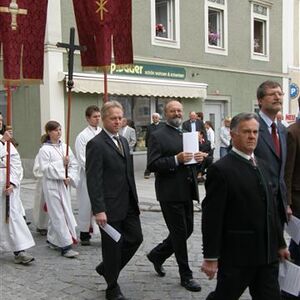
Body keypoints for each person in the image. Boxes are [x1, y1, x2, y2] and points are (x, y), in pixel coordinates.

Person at [201, 112, 290, 300]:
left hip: (267, 256)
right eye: (246, 132)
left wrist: (280, 244)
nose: (252, 136)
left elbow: (271, 210)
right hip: (238, 256)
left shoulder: (264, 165)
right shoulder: (221, 169)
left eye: (255, 132)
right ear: (233, 135)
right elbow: (212, 217)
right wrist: (210, 257)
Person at [146, 100, 206, 292]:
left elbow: (191, 161)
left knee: (187, 230)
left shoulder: (186, 133)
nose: (177, 113)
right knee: (180, 234)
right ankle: (186, 276)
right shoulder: (157, 135)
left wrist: (198, 159)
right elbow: (152, 164)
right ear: (166, 113)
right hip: (169, 193)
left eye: (179, 110)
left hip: (187, 191)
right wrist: (175, 159)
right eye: (173, 111)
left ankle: (157, 254)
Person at [86, 101, 143, 300]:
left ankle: (106, 268)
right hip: (109, 207)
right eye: (113, 118)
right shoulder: (96, 144)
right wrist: (99, 209)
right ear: (104, 119)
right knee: (112, 247)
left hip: (128, 203)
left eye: (120, 118)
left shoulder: (124, 141)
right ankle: (112, 287)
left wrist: (135, 201)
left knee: (136, 238)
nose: (118, 121)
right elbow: (93, 179)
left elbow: (128, 174)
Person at [38, 121, 79, 258]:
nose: (59, 132)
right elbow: (45, 168)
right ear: (49, 132)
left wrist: (70, 176)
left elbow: (74, 164)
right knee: (58, 214)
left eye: (60, 129)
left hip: (64, 185)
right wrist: (62, 164)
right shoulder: (44, 150)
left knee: (63, 212)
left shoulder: (65, 147)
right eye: (55, 130)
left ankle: (53, 239)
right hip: (52, 185)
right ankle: (65, 246)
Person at [254, 81, 291, 225]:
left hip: (279, 205)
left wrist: (286, 203)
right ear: (260, 101)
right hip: (258, 203)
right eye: (272, 94)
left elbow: (281, 171)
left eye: (280, 94)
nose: (278, 97)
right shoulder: (252, 126)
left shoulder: (281, 129)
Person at [0, 130, 35, 264]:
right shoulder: (3, 140)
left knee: (12, 216)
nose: (0, 123)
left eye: (1, 120)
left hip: (7, 187)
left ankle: (19, 250)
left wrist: (12, 183)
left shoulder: (8, 142)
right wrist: (2, 142)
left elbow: (16, 164)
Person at [75, 105, 101, 246]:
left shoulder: (102, 132)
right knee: (87, 204)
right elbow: (81, 157)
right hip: (88, 175)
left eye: (99, 116)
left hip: (102, 176)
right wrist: (94, 170)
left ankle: (104, 231)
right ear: (87, 118)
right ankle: (84, 233)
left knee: (101, 204)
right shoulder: (82, 136)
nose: (97, 119)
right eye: (94, 117)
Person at [284, 106, 300, 299]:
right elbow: (286, 173)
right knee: (296, 248)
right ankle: (288, 290)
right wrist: (287, 202)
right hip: (297, 200)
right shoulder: (293, 132)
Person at [32, 153, 48, 236]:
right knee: (42, 204)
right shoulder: (42, 153)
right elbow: (37, 170)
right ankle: (41, 225)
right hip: (44, 181)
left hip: (57, 181)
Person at [144, 112, 164, 179]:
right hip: (151, 145)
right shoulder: (149, 126)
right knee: (149, 158)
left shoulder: (162, 126)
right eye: (153, 117)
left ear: (159, 118)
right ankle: (147, 171)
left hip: (160, 145)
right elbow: (147, 136)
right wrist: (147, 145)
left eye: (156, 117)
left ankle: (157, 172)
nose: (154, 119)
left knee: (159, 158)